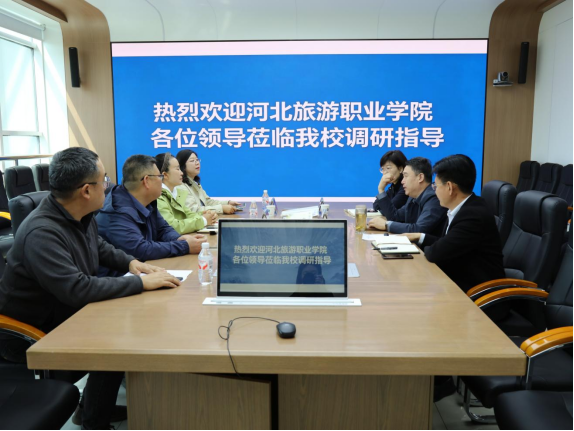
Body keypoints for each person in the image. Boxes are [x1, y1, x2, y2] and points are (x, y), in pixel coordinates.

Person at [0, 147, 181, 430]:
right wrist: (139, 283)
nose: (108, 186)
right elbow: (77, 289)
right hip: (33, 330)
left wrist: (133, 263)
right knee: (117, 336)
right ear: (86, 190)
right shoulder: (42, 232)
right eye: (104, 180)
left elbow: (100, 247)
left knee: (128, 323)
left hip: (65, 310)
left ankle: (92, 410)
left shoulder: (79, 214)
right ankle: (94, 421)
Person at [402, 155, 505, 293]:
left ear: (449, 187)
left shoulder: (472, 216)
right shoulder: (462, 208)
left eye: (435, 186)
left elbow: (436, 253)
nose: (434, 190)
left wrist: (428, 247)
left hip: (476, 293)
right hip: (456, 281)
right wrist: (419, 237)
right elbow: (447, 243)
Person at [97, 155, 208, 271]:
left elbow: (163, 229)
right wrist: (185, 246)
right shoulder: (117, 211)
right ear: (147, 181)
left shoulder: (148, 201)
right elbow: (140, 249)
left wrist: (179, 238)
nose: (162, 180)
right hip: (120, 277)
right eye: (160, 176)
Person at [368, 157, 447, 236]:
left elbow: (418, 230)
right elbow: (395, 217)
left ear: (420, 177)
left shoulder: (434, 198)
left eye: (406, 176)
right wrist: (381, 189)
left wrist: (386, 225)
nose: (402, 181)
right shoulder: (412, 197)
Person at [156, 152, 218, 235]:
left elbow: (187, 214)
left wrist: (204, 215)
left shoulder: (176, 193)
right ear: (165, 175)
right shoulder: (158, 197)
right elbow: (171, 226)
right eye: (177, 169)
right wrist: (203, 220)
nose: (181, 173)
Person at [176, 150, 242, 214]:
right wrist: (222, 208)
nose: (197, 163)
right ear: (183, 166)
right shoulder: (181, 186)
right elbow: (193, 210)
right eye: (192, 161)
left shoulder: (195, 183)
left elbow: (207, 202)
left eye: (197, 160)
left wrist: (227, 203)